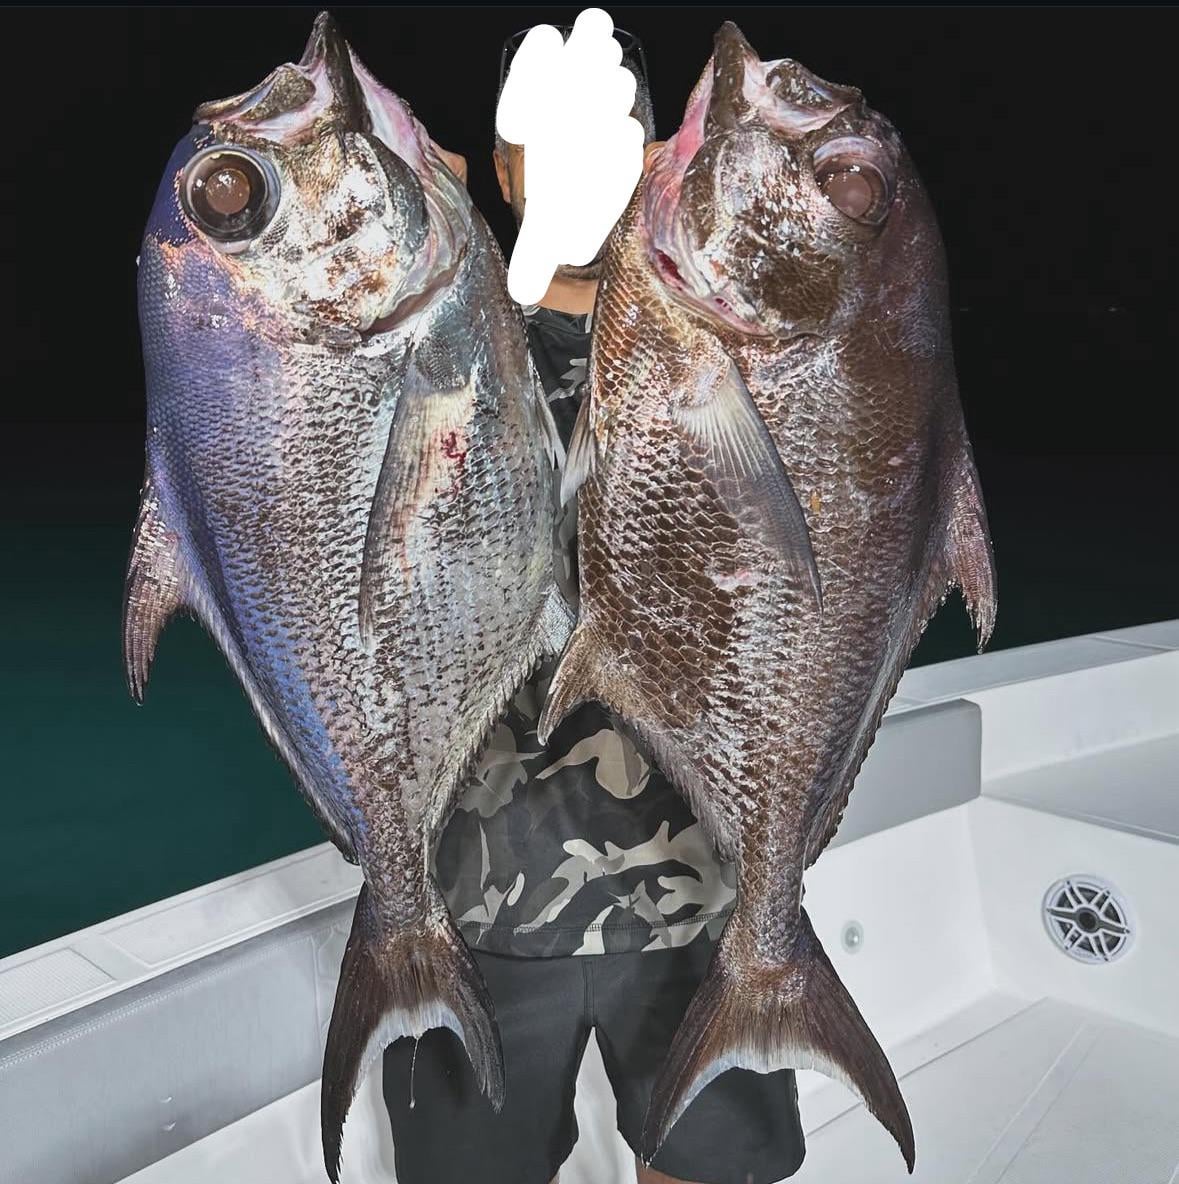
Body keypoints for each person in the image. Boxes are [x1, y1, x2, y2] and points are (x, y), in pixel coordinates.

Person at [383, 26, 805, 1184]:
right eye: (541, 140)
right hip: (460, 907)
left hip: (703, 895)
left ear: (657, 160)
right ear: (501, 166)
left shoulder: (731, 355)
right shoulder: (427, 351)